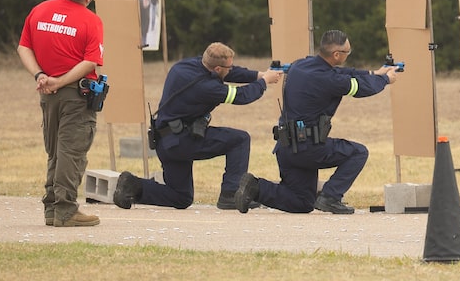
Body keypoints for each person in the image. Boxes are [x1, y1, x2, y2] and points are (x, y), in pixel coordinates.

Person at [233, 30, 400, 214]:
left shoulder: (300, 65)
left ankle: (256, 188)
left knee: (302, 202)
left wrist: (374, 72)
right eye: (347, 52)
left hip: (287, 147)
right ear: (337, 54)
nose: (348, 55)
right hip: (308, 148)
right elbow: (362, 88)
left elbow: (342, 72)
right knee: (358, 152)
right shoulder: (329, 79)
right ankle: (330, 197)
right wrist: (385, 79)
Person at [111, 43, 282, 211]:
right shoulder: (206, 87)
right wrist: (264, 82)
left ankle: (132, 186)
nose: (231, 70)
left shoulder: (186, 65)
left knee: (180, 197)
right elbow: (241, 96)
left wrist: (259, 75)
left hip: (166, 141)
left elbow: (231, 71)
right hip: (182, 141)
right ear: (217, 69)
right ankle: (230, 194)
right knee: (240, 140)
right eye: (227, 68)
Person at [16, 0, 106, 227]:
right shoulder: (91, 20)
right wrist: (62, 81)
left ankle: (52, 208)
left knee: (55, 151)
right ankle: (66, 210)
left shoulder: (40, 10)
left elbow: (24, 47)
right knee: (72, 151)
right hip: (76, 95)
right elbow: (90, 62)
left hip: (47, 94)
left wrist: (40, 76)